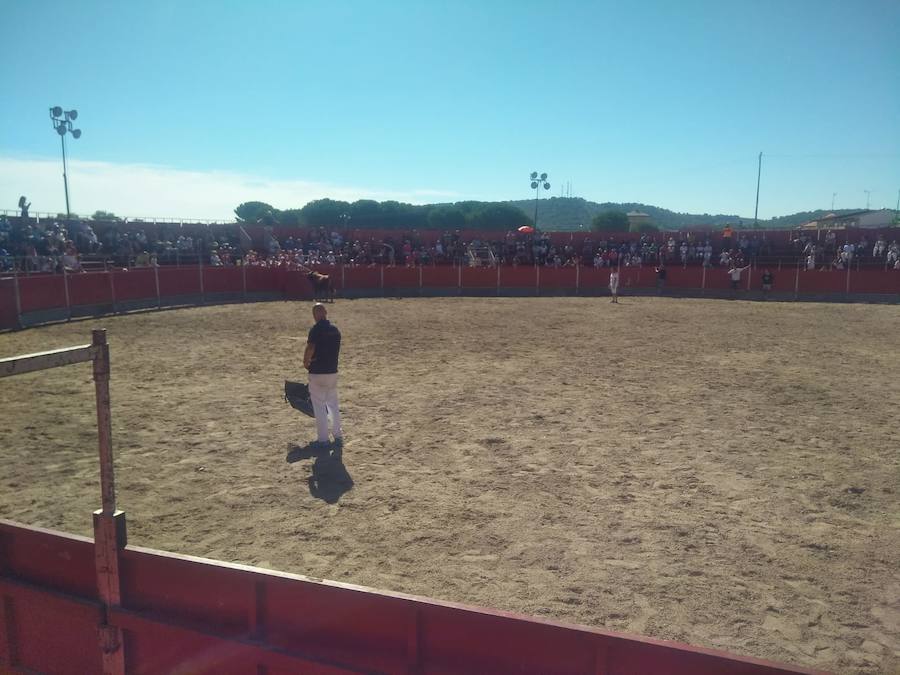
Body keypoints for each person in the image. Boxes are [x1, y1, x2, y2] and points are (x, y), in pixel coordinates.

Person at [303, 302, 343, 449]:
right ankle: (338, 435)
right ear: (325, 313)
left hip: (317, 372)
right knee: (333, 404)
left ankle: (323, 439)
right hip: (332, 372)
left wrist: (306, 361)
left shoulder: (315, 330)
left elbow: (311, 348)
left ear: (315, 315)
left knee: (319, 406)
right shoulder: (335, 331)